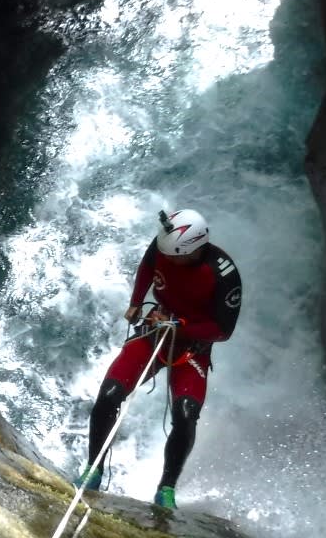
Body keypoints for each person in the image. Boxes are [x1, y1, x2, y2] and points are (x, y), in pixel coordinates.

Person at [74, 208, 242, 509]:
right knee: (110, 393)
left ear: (195, 249)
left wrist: (183, 325)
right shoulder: (165, 245)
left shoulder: (222, 274)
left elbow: (223, 329)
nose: (171, 262)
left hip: (192, 348)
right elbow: (148, 265)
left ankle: (166, 489)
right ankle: (94, 469)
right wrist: (136, 302)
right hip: (155, 331)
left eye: (177, 258)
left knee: (186, 414)